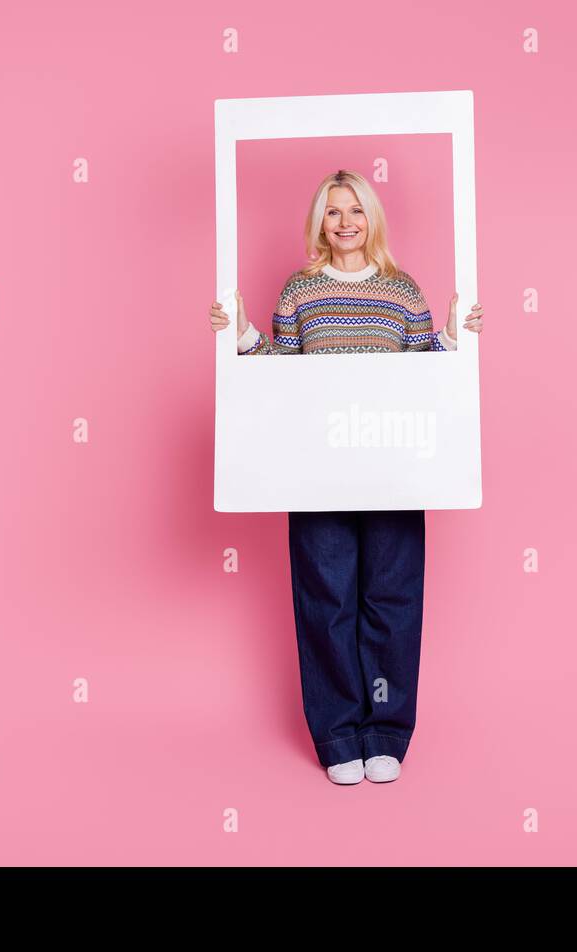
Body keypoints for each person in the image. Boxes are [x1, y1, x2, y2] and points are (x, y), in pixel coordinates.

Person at [209, 169, 484, 784]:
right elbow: (279, 373)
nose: (345, 223)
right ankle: (338, 736)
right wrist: (242, 332)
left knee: (391, 598)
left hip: (393, 468)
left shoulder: (402, 291)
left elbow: (424, 374)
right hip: (315, 471)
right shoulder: (300, 292)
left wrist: (455, 337)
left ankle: (385, 731)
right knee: (326, 600)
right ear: (319, 222)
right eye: (332, 212)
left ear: (372, 218)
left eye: (355, 210)